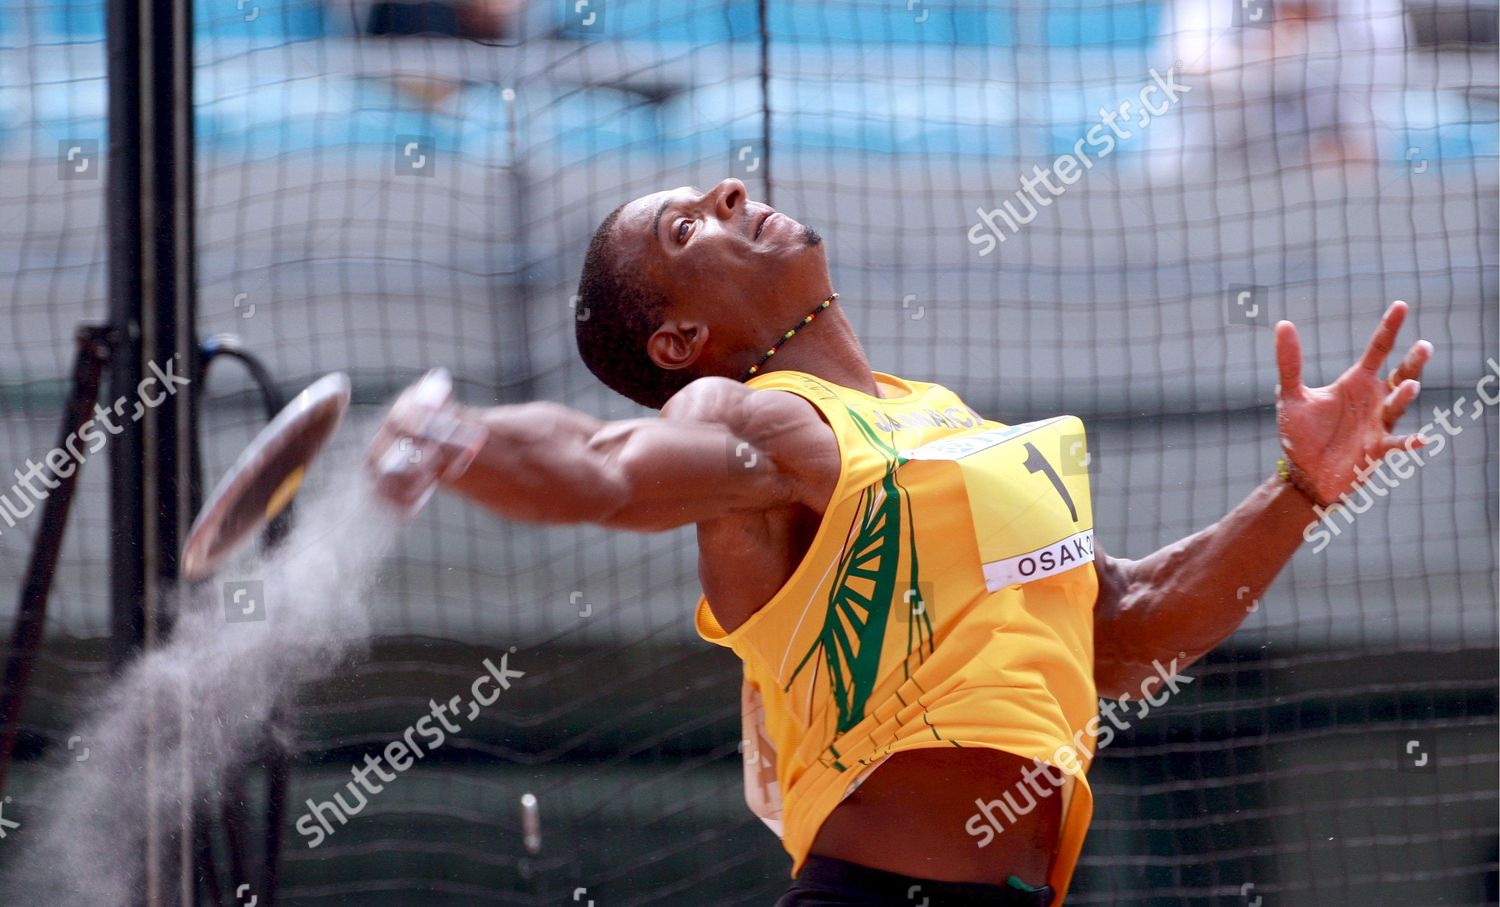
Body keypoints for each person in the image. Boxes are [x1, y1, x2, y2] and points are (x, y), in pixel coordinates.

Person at [366, 178, 1433, 905]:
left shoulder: (957, 422)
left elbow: (1125, 634)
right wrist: (449, 437)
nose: (728, 195)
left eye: (712, 192)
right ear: (682, 340)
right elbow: (603, 469)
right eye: (686, 229)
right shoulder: (760, 425)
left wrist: (1301, 490)